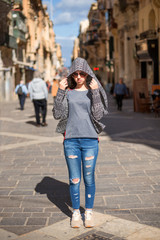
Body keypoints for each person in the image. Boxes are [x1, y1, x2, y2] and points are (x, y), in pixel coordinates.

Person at [52, 57, 108, 228]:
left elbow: (98, 115)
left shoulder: (93, 91)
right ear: (71, 74)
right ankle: (76, 213)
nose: (78, 77)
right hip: (71, 141)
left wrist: (96, 92)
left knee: (89, 178)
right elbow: (57, 114)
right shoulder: (67, 92)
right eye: (75, 74)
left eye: (82, 74)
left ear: (87, 74)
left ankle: (88, 212)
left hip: (90, 141)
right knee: (74, 179)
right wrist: (60, 91)